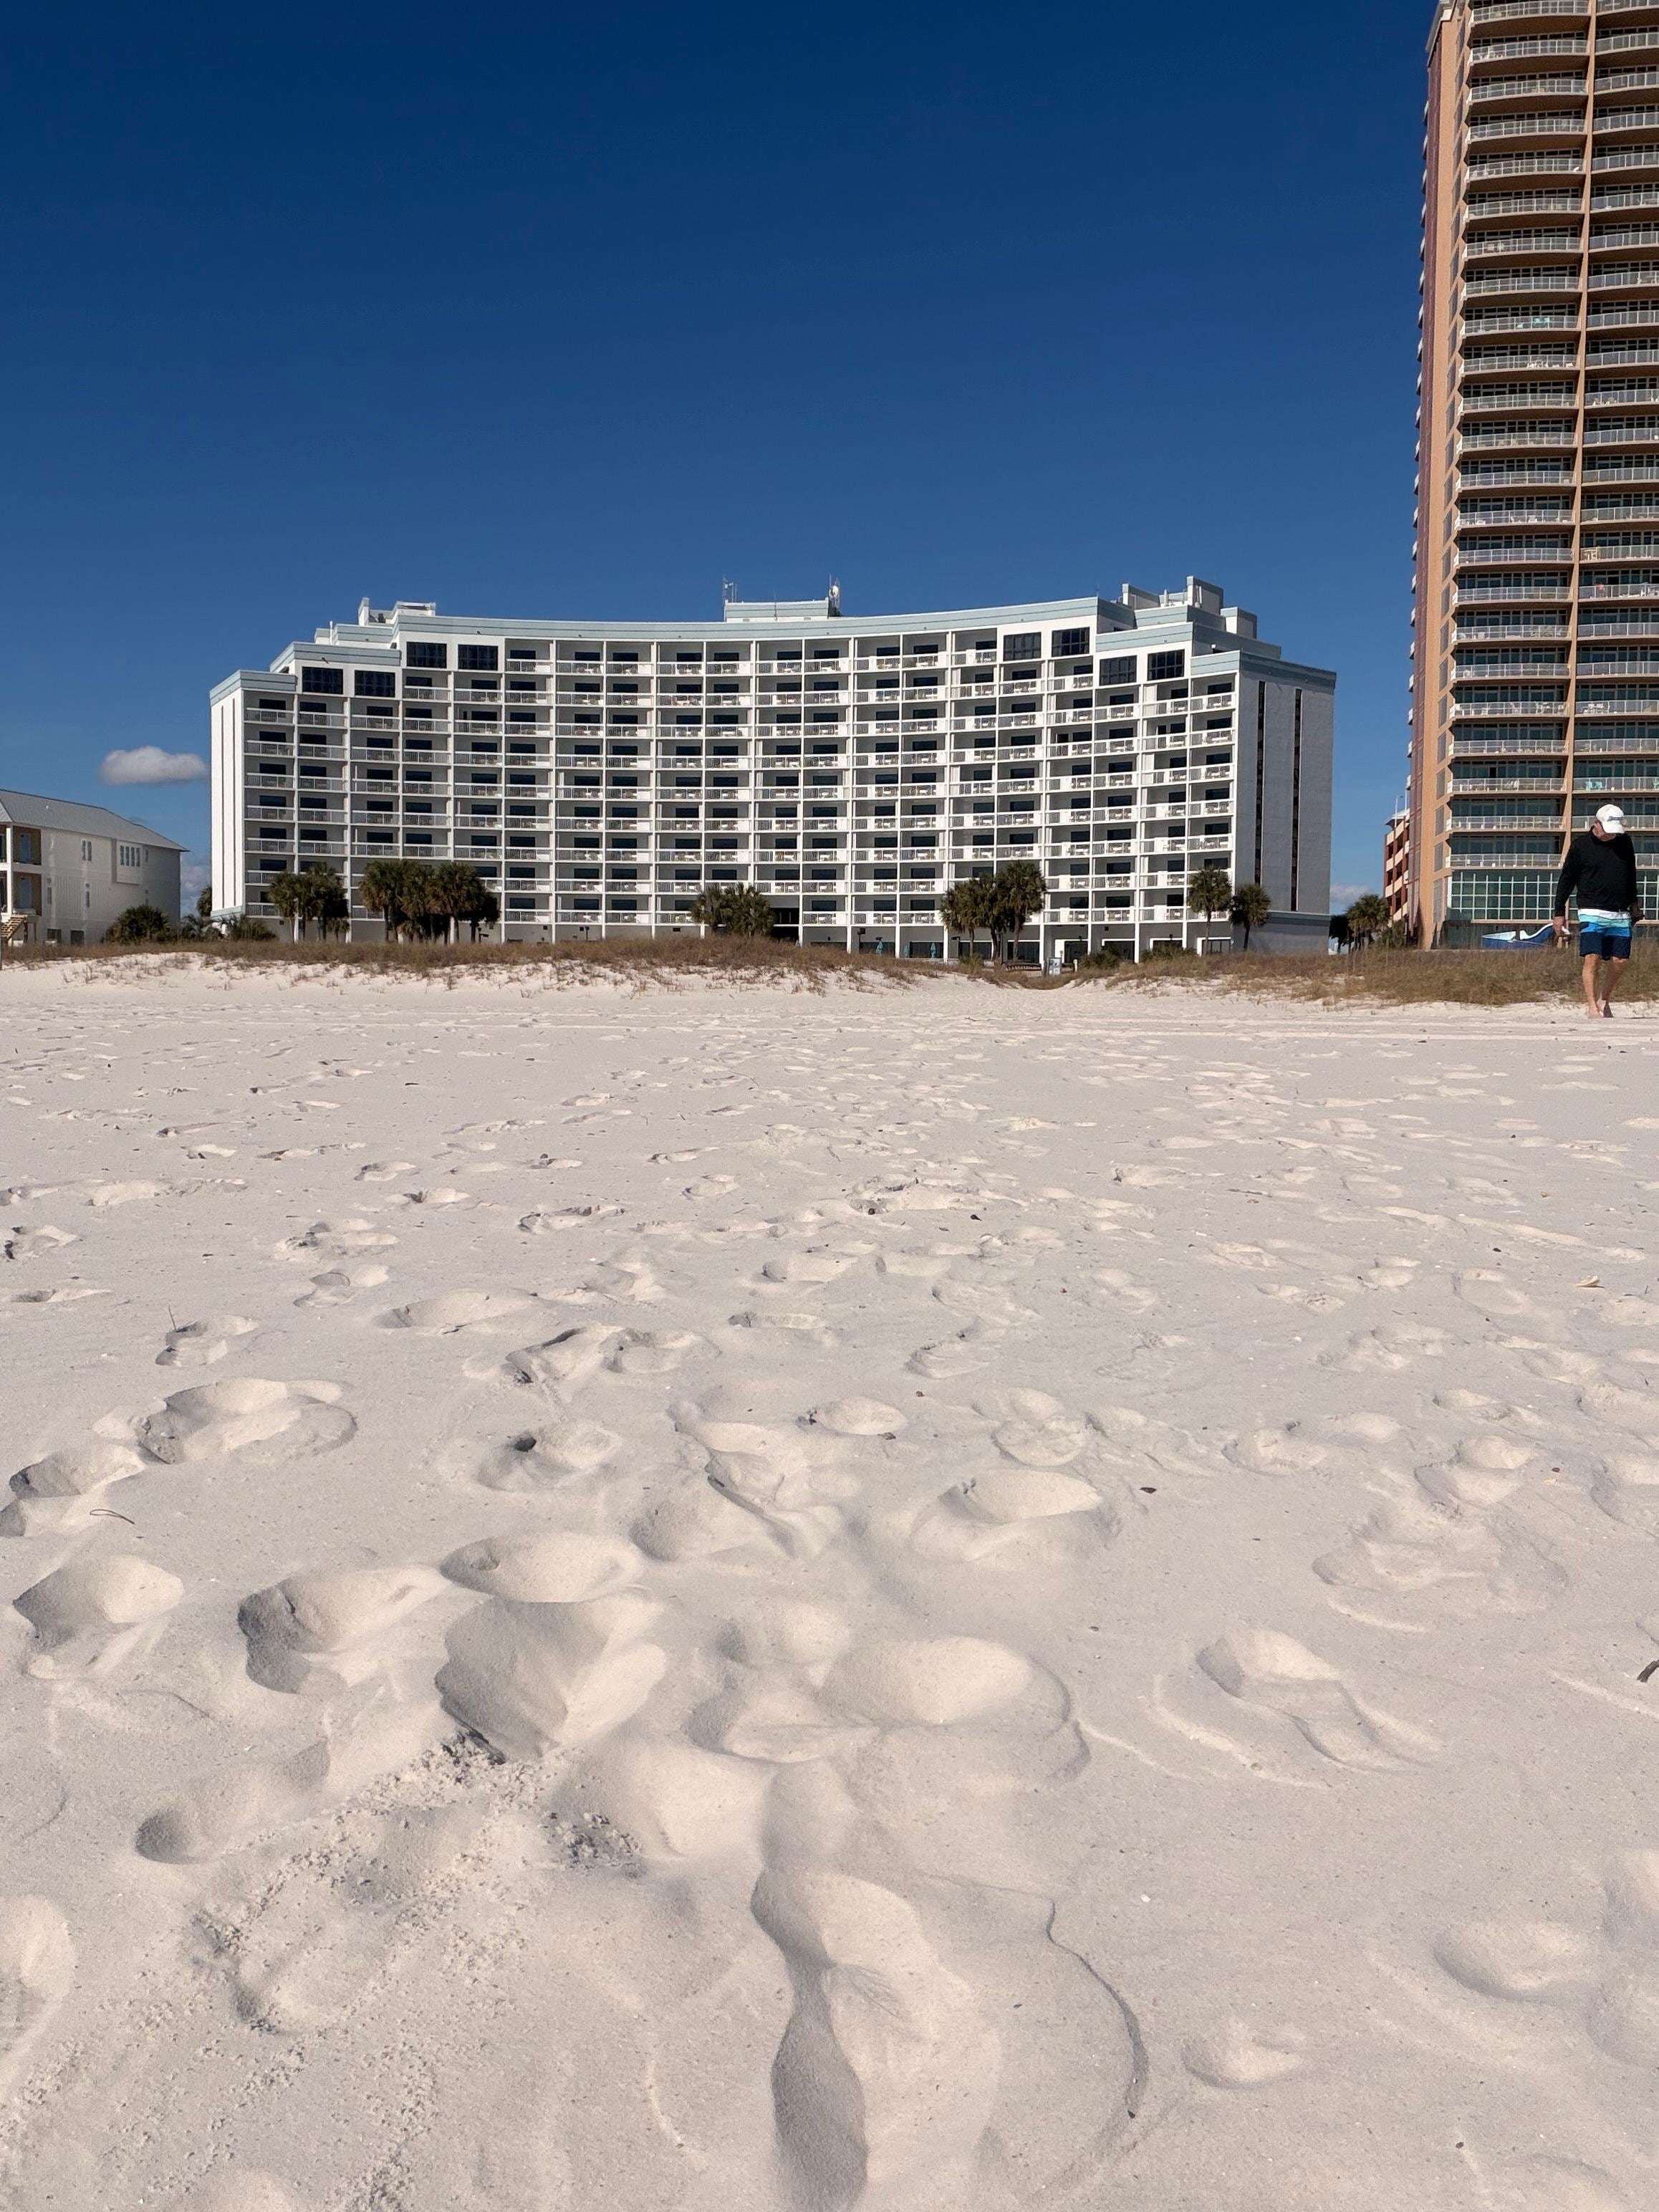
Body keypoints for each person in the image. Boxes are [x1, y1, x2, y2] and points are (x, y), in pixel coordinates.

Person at [1553, 803, 1640, 1019]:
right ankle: (1592, 1007)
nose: (1611, 836)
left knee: (1621, 960)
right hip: (1590, 909)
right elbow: (1567, 880)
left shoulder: (1624, 842)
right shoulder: (1581, 846)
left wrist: (1634, 904)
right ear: (1597, 824)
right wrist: (1559, 913)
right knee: (1592, 955)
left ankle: (1605, 999)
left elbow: (1631, 874)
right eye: (1608, 832)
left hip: (1620, 911)